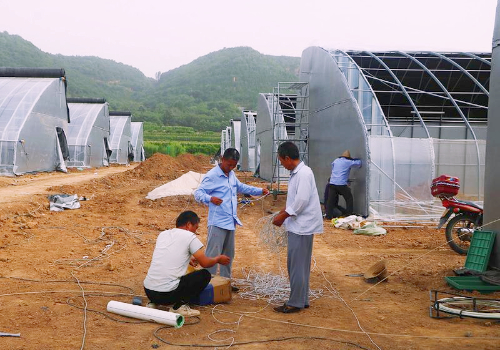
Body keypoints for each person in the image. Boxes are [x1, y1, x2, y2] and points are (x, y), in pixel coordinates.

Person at [194, 148, 269, 288]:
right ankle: (206, 284)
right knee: (212, 254)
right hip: (217, 222)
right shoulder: (212, 175)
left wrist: (259, 191)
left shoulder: (231, 175)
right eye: (229, 165)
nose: (231, 168)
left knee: (228, 256)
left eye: (233, 166)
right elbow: (198, 193)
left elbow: (240, 187)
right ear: (222, 159)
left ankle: (224, 283)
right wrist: (211, 198)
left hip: (230, 222)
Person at [143, 211, 230, 317]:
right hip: (167, 295)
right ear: (189, 224)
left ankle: (153, 303)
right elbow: (205, 263)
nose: (195, 231)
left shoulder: (163, 234)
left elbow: (169, 254)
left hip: (149, 291)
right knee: (204, 275)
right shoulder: (189, 237)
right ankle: (179, 307)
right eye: (196, 227)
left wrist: (188, 258)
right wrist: (218, 259)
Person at [272, 141, 323, 313]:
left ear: (287, 158)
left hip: (301, 227)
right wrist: (283, 211)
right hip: (300, 225)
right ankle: (302, 299)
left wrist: (283, 217)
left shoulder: (303, 173)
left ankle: (295, 302)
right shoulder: (299, 173)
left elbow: (301, 201)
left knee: (296, 266)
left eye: (281, 161)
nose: (282, 164)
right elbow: (296, 199)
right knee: (300, 265)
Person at [325, 150, 362, 219]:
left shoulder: (336, 160)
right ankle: (349, 215)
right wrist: (359, 159)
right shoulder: (348, 162)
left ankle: (328, 216)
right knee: (349, 198)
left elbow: (334, 169)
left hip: (332, 183)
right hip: (341, 183)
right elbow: (359, 163)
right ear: (348, 157)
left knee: (330, 201)